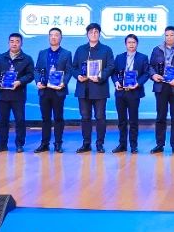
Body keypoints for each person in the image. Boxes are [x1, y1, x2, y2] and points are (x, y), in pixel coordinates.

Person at [73, 23, 115, 154]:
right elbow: (73, 67)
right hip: (83, 89)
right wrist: (78, 76)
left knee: (100, 117)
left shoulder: (106, 50)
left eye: (96, 32)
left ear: (99, 34)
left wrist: (100, 76)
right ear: (87, 34)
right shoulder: (80, 49)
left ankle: (99, 144)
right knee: (85, 117)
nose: (93, 34)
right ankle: (86, 143)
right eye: (91, 32)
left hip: (99, 89)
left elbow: (111, 67)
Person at [149, 26, 174, 155]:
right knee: (160, 117)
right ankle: (159, 144)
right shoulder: (157, 49)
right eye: (167, 35)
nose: (169, 37)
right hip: (161, 86)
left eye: (171, 35)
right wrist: (153, 75)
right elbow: (150, 66)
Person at [0, 33, 33, 153]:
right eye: (12, 41)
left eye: (17, 41)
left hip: (18, 94)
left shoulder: (27, 59)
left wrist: (20, 81)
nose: (14, 44)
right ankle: (2, 144)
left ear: (21, 43)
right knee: (2, 120)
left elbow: (30, 75)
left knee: (20, 120)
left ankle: (19, 144)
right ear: (8, 43)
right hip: (2, 94)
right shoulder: (1, 57)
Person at [34, 27, 74, 153]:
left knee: (58, 118)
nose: (53, 37)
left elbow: (69, 71)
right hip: (44, 90)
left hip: (58, 90)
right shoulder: (42, 53)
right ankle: (44, 143)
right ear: (48, 37)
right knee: (45, 118)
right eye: (51, 35)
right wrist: (38, 81)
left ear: (61, 37)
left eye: (56, 35)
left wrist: (64, 82)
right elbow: (37, 70)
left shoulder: (67, 53)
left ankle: (58, 144)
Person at [112, 34, 151, 154]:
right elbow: (113, 73)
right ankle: (122, 145)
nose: (131, 44)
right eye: (129, 42)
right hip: (120, 92)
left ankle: (133, 145)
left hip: (134, 92)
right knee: (121, 121)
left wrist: (137, 84)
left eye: (133, 42)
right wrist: (116, 82)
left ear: (137, 44)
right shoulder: (119, 57)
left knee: (133, 120)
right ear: (125, 44)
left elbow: (146, 73)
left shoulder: (143, 57)